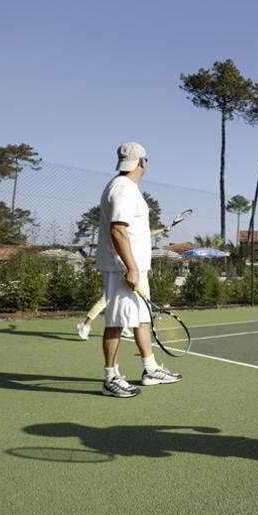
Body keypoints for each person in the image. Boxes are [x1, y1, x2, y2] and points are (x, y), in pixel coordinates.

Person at [97, 142, 181, 398]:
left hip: (136, 267)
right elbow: (118, 230)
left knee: (142, 319)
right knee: (116, 323)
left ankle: (150, 369)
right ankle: (111, 378)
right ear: (143, 162)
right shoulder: (123, 188)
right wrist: (131, 268)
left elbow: (132, 230)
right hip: (123, 268)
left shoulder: (127, 188)